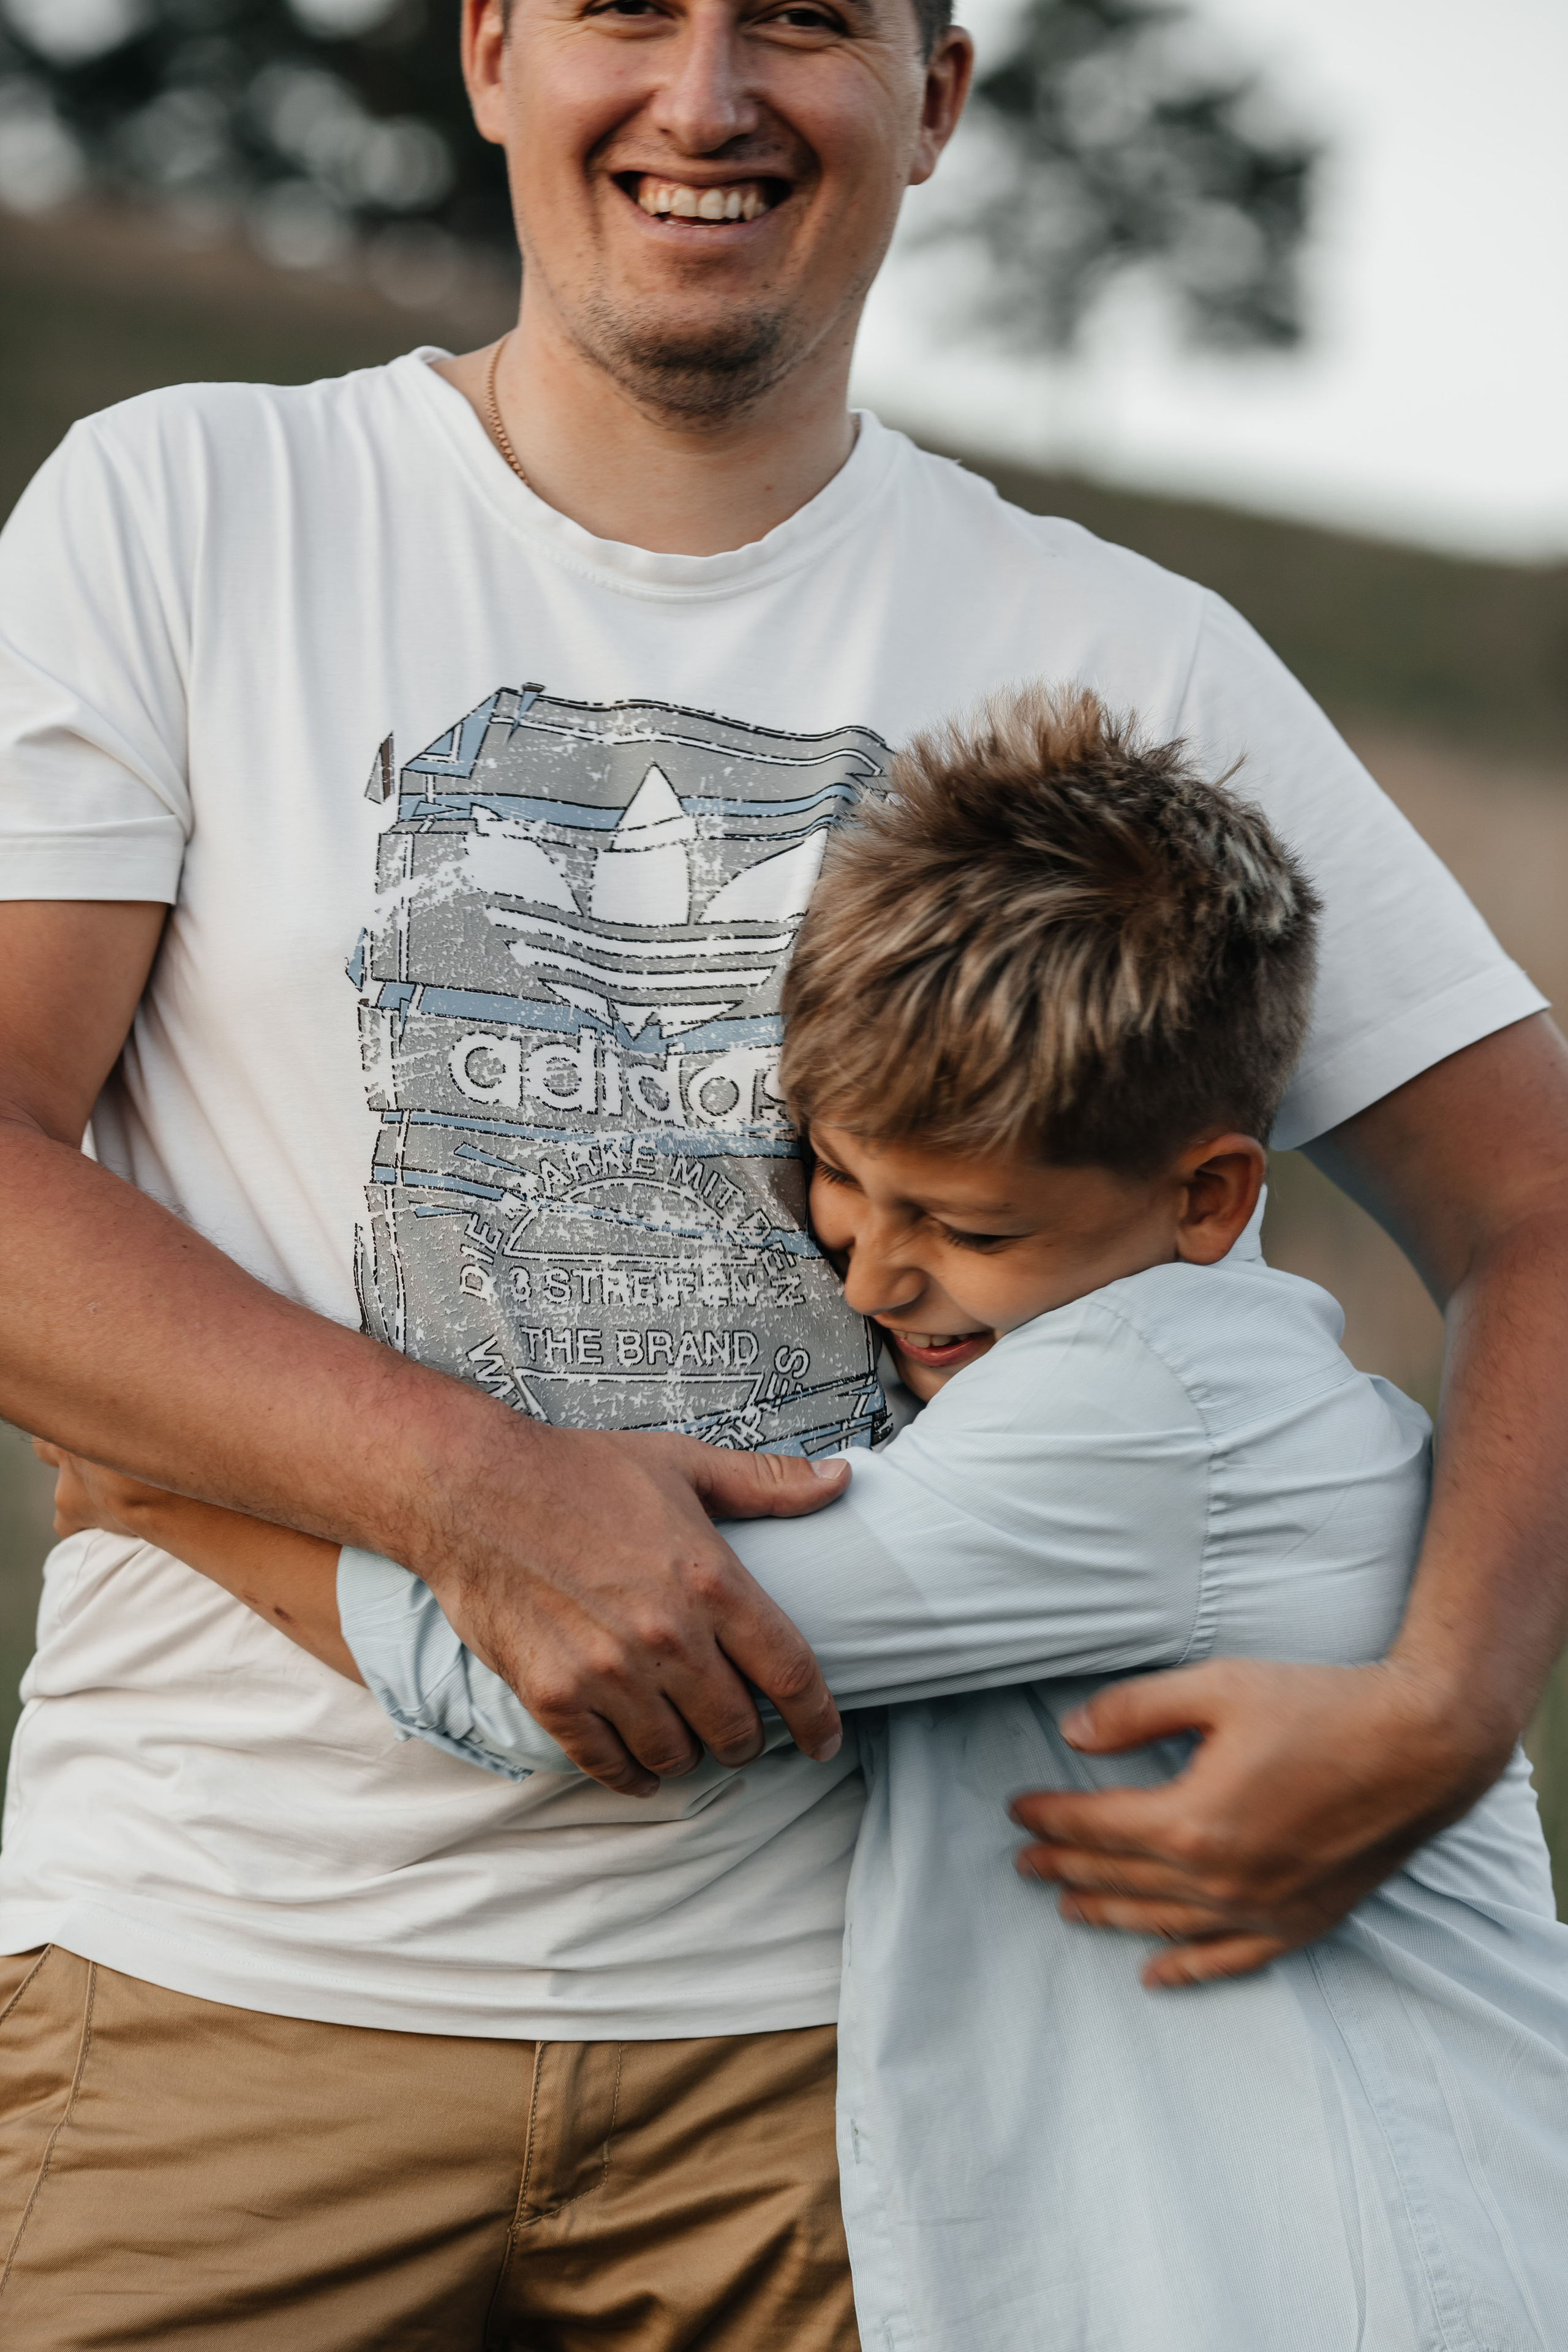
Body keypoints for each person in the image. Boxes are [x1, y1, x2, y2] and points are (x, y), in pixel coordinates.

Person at [1, 0, 1567, 2339]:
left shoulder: (1132, 656)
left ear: (935, 96)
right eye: (629, 9)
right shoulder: (189, 506)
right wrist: (460, 1483)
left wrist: (1450, 1709)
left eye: (808, 24)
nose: (707, 97)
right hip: (216, 1987)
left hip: (869, 2087)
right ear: (495, 49)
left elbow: (1537, 1204)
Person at [47, 690, 1568, 2350]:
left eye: (965, 1227)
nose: (873, 1272)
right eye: (838, 1178)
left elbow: (580, 1668)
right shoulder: (1161, 1368)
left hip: (1368, 2277)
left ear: (1208, 1196)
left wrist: (152, 1487)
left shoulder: (1139, 1411)